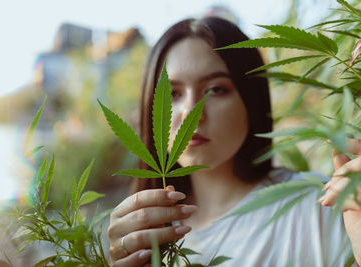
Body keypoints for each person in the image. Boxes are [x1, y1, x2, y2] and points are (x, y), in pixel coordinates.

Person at [107, 17, 361, 266]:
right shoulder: (142, 236)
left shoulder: (323, 207)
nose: (191, 112)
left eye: (216, 89)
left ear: (252, 101)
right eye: (172, 93)